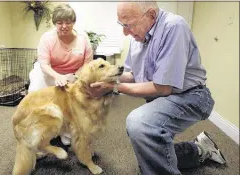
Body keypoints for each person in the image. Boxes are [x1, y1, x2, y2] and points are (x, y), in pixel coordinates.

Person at [88, 2, 226, 175]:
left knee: (140, 124)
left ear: (151, 15)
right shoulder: (137, 37)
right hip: (164, 96)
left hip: (193, 96)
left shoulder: (174, 27)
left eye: (129, 25)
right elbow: (133, 75)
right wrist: (104, 76)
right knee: (151, 149)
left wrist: (114, 87)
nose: (125, 32)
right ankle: (199, 149)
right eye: (122, 25)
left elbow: (162, 87)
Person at [28, 3, 93, 145]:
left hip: (73, 74)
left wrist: (75, 76)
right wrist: (57, 76)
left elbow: (87, 64)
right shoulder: (47, 38)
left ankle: (65, 131)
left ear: (73, 22)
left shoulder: (83, 38)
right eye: (59, 22)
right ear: (55, 23)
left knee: (71, 101)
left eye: (68, 22)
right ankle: (39, 130)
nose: (64, 26)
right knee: (36, 95)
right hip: (48, 72)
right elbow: (44, 64)